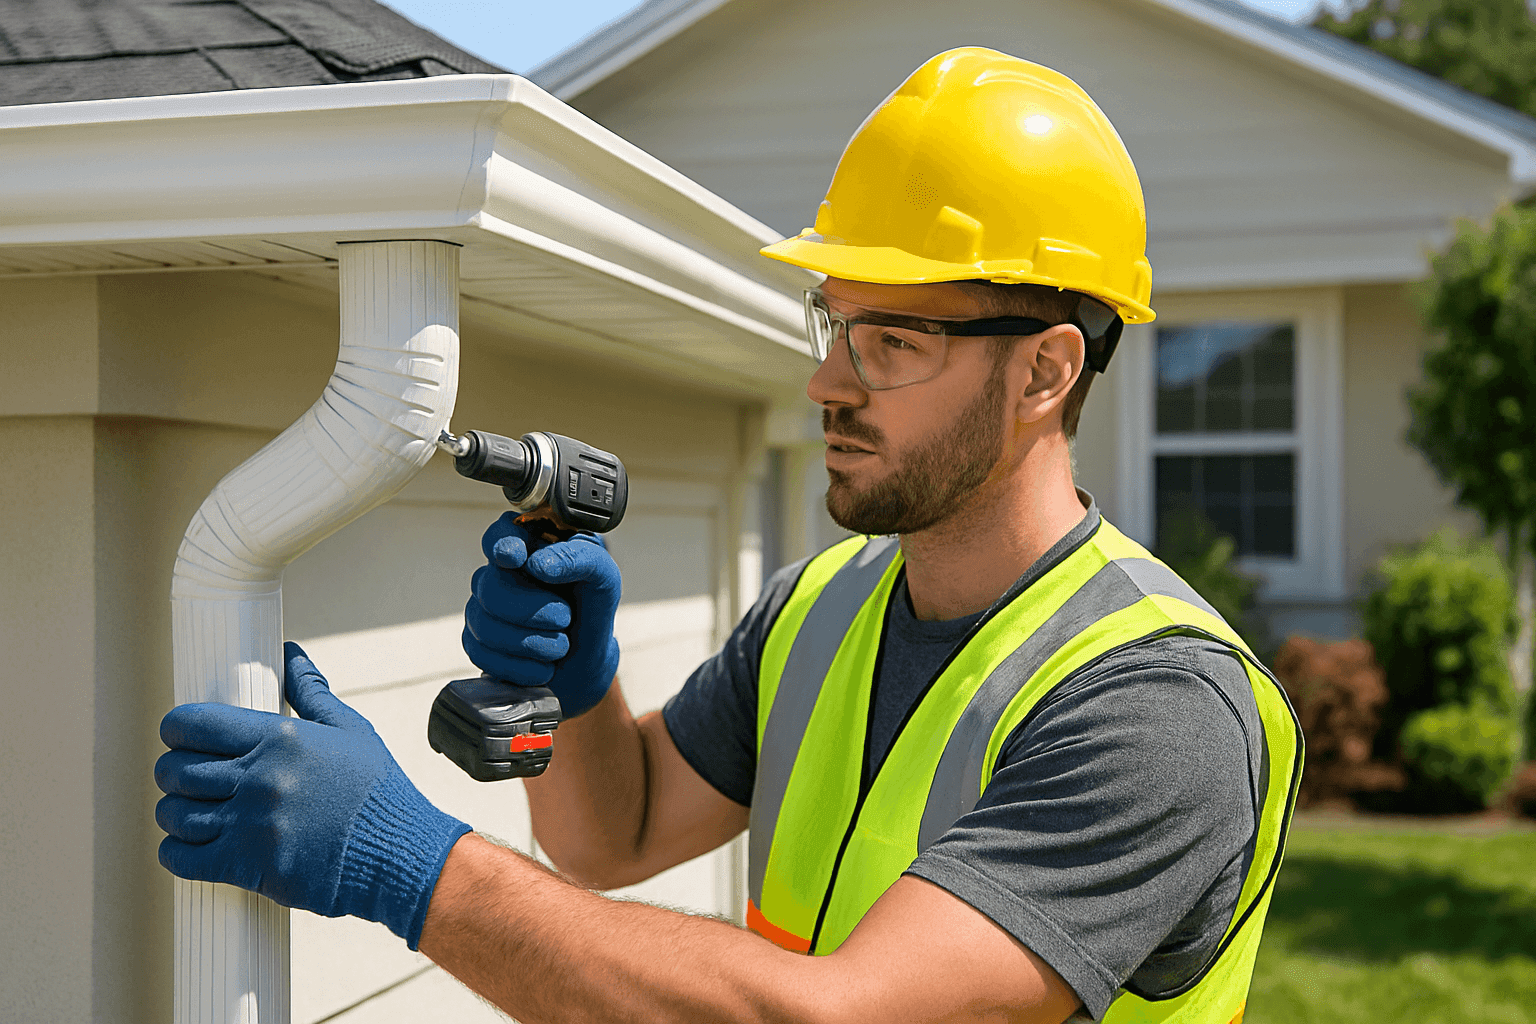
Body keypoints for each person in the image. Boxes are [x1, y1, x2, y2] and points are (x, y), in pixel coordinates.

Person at [156, 48, 1300, 1024]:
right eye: (833, 324)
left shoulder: (1158, 709)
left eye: (891, 342)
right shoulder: (821, 609)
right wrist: (581, 687)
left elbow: (836, 1015)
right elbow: (615, 832)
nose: (826, 382)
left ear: (1045, 372)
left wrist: (404, 862)